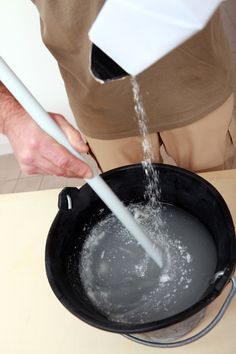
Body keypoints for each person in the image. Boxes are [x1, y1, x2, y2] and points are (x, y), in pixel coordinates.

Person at [0, 2, 235, 179]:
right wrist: (11, 117)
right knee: (133, 205)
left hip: (198, 76)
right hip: (98, 102)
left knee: (219, 195)